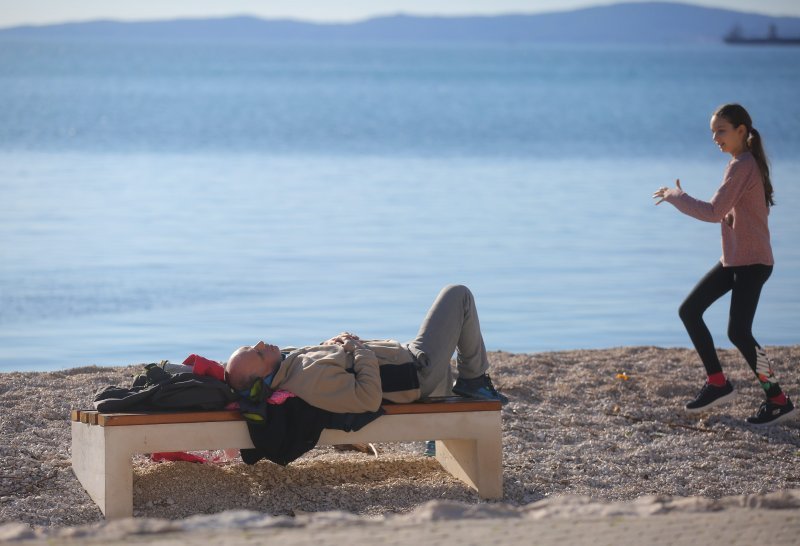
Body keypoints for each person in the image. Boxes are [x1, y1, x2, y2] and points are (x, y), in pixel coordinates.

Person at [653, 103, 794, 426]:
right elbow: (730, 212)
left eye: (721, 131)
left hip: (752, 263)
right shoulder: (740, 163)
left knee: (739, 332)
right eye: (713, 132)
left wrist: (676, 196)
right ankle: (718, 383)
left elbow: (713, 212)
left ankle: (777, 400)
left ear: (741, 131)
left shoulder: (742, 166)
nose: (715, 138)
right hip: (735, 261)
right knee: (690, 310)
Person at [224, 284, 508, 415]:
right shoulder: (306, 379)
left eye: (254, 345)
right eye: (258, 353)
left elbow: (329, 363)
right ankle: (475, 382)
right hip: (415, 373)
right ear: (263, 377)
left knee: (445, 335)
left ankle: (439, 437)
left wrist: (332, 344)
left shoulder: (286, 363)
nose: (261, 344)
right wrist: (357, 349)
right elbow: (367, 398)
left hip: (407, 362)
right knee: (458, 296)